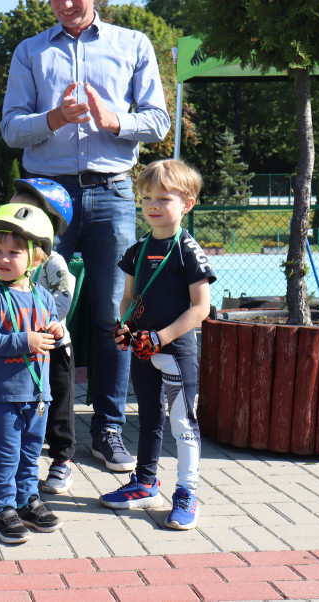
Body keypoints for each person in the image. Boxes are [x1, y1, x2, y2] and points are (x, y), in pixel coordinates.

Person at [0, 0, 170, 473]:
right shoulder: (30, 52)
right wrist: (53, 117)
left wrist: (113, 120)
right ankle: (45, 433)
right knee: (37, 311)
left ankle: (109, 429)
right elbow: (11, 128)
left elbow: (159, 121)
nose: (66, 3)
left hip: (114, 192)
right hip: (45, 198)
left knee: (111, 315)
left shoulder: (133, 45)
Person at [100, 159, 214, 530]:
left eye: (163, 197)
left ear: (187, 203)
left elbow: (202, 308)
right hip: (142, 351)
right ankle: (146, 484)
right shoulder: (138, 249)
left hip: (175, 352)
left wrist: (162, 337)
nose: (152, 204)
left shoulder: (189, 250)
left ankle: (187, 492)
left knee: (183, 423)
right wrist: (126, 327)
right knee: (148, 420)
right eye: (146, 197)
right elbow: (129, 297)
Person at [0, 203, 64, 544]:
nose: (3, 259)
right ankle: (2, 510)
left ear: (36, 258)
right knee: (5, 454)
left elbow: (52, 332)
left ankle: (28, 501)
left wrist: (55, 331)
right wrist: (25, 340)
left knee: (31, 452)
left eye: (14, 252)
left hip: (39, 395)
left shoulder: (43, 296)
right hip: (4, 395)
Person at [8, 178, 77, 494]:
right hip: (22, 347)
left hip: (53, 345)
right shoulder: (11, 259)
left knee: (58, 405)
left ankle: (62, 460)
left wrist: (48, 321)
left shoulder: (52, 262)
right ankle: (19, 462)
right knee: (26, 405)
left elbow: (64, 295)